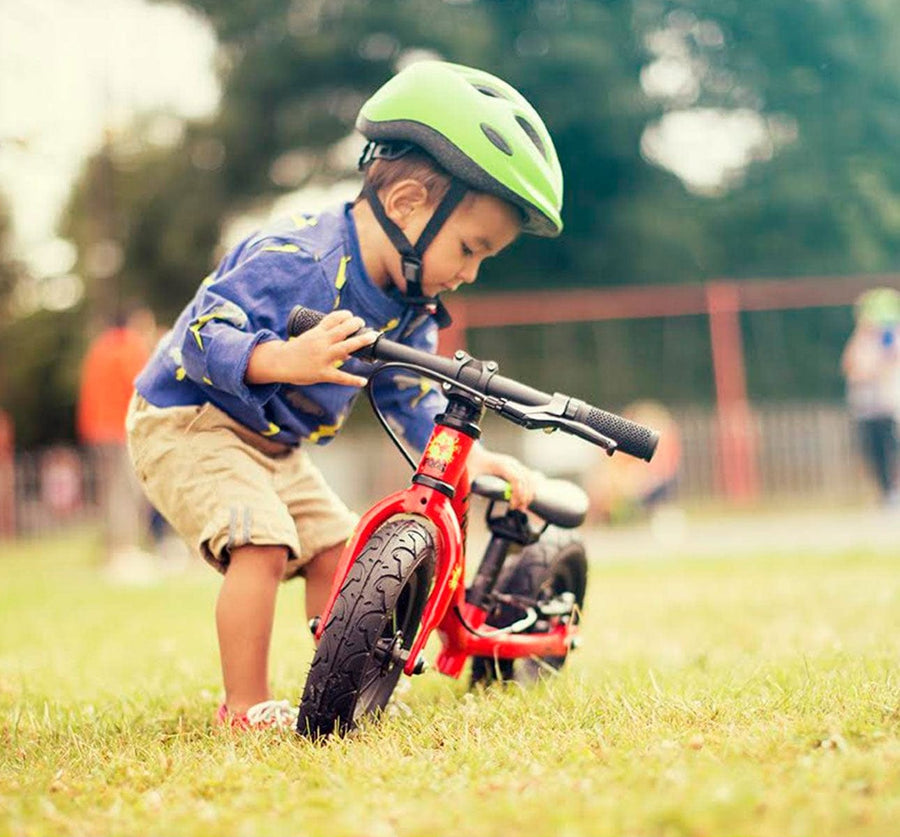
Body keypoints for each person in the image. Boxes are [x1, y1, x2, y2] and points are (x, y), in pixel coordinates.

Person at [125, 61, 565, 730]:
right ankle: (241, 709)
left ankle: (329, 691)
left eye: (484, 259)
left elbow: (412, 401)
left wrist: (474, 465)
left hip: (272, 442)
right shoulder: (297, 256)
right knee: (264, 543)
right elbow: (202, 332)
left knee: (339, 548)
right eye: (469, 248)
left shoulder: (411, 303)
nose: (469, 273)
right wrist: (283, 358)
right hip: (191, 419)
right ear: (408, 203)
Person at [77, 304, 158, 578]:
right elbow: (143, 387)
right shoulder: (130, 347)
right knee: (126, 491)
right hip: (120, 428)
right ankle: (124, 551)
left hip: (96, 430)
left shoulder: (100, 348)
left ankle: (113, 550)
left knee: (109, 492)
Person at [841, 288, 900, 506]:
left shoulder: (890, 336)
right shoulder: (862, 338)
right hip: (866, 407)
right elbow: (849, 365)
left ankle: (894, 493)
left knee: (890, 451)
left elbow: (882, 365)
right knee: (873, 453)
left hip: (887, 404)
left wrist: (867, 370)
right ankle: (886, 495)